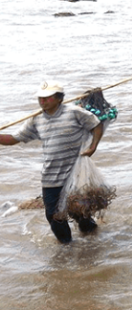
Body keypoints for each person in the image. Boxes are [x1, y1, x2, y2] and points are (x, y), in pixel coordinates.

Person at [0, 81, 104, 243]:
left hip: (74, 173)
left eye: (47, 98)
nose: (42, 101)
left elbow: (97, 124)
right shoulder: (36, 120)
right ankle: (67, 245)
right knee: (53, 216)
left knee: (79, 211)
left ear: (59, 98)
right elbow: (14, 139)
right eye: (40, 98)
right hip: (50, 176)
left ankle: (91, 237)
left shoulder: (75, 113)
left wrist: (93, 147)